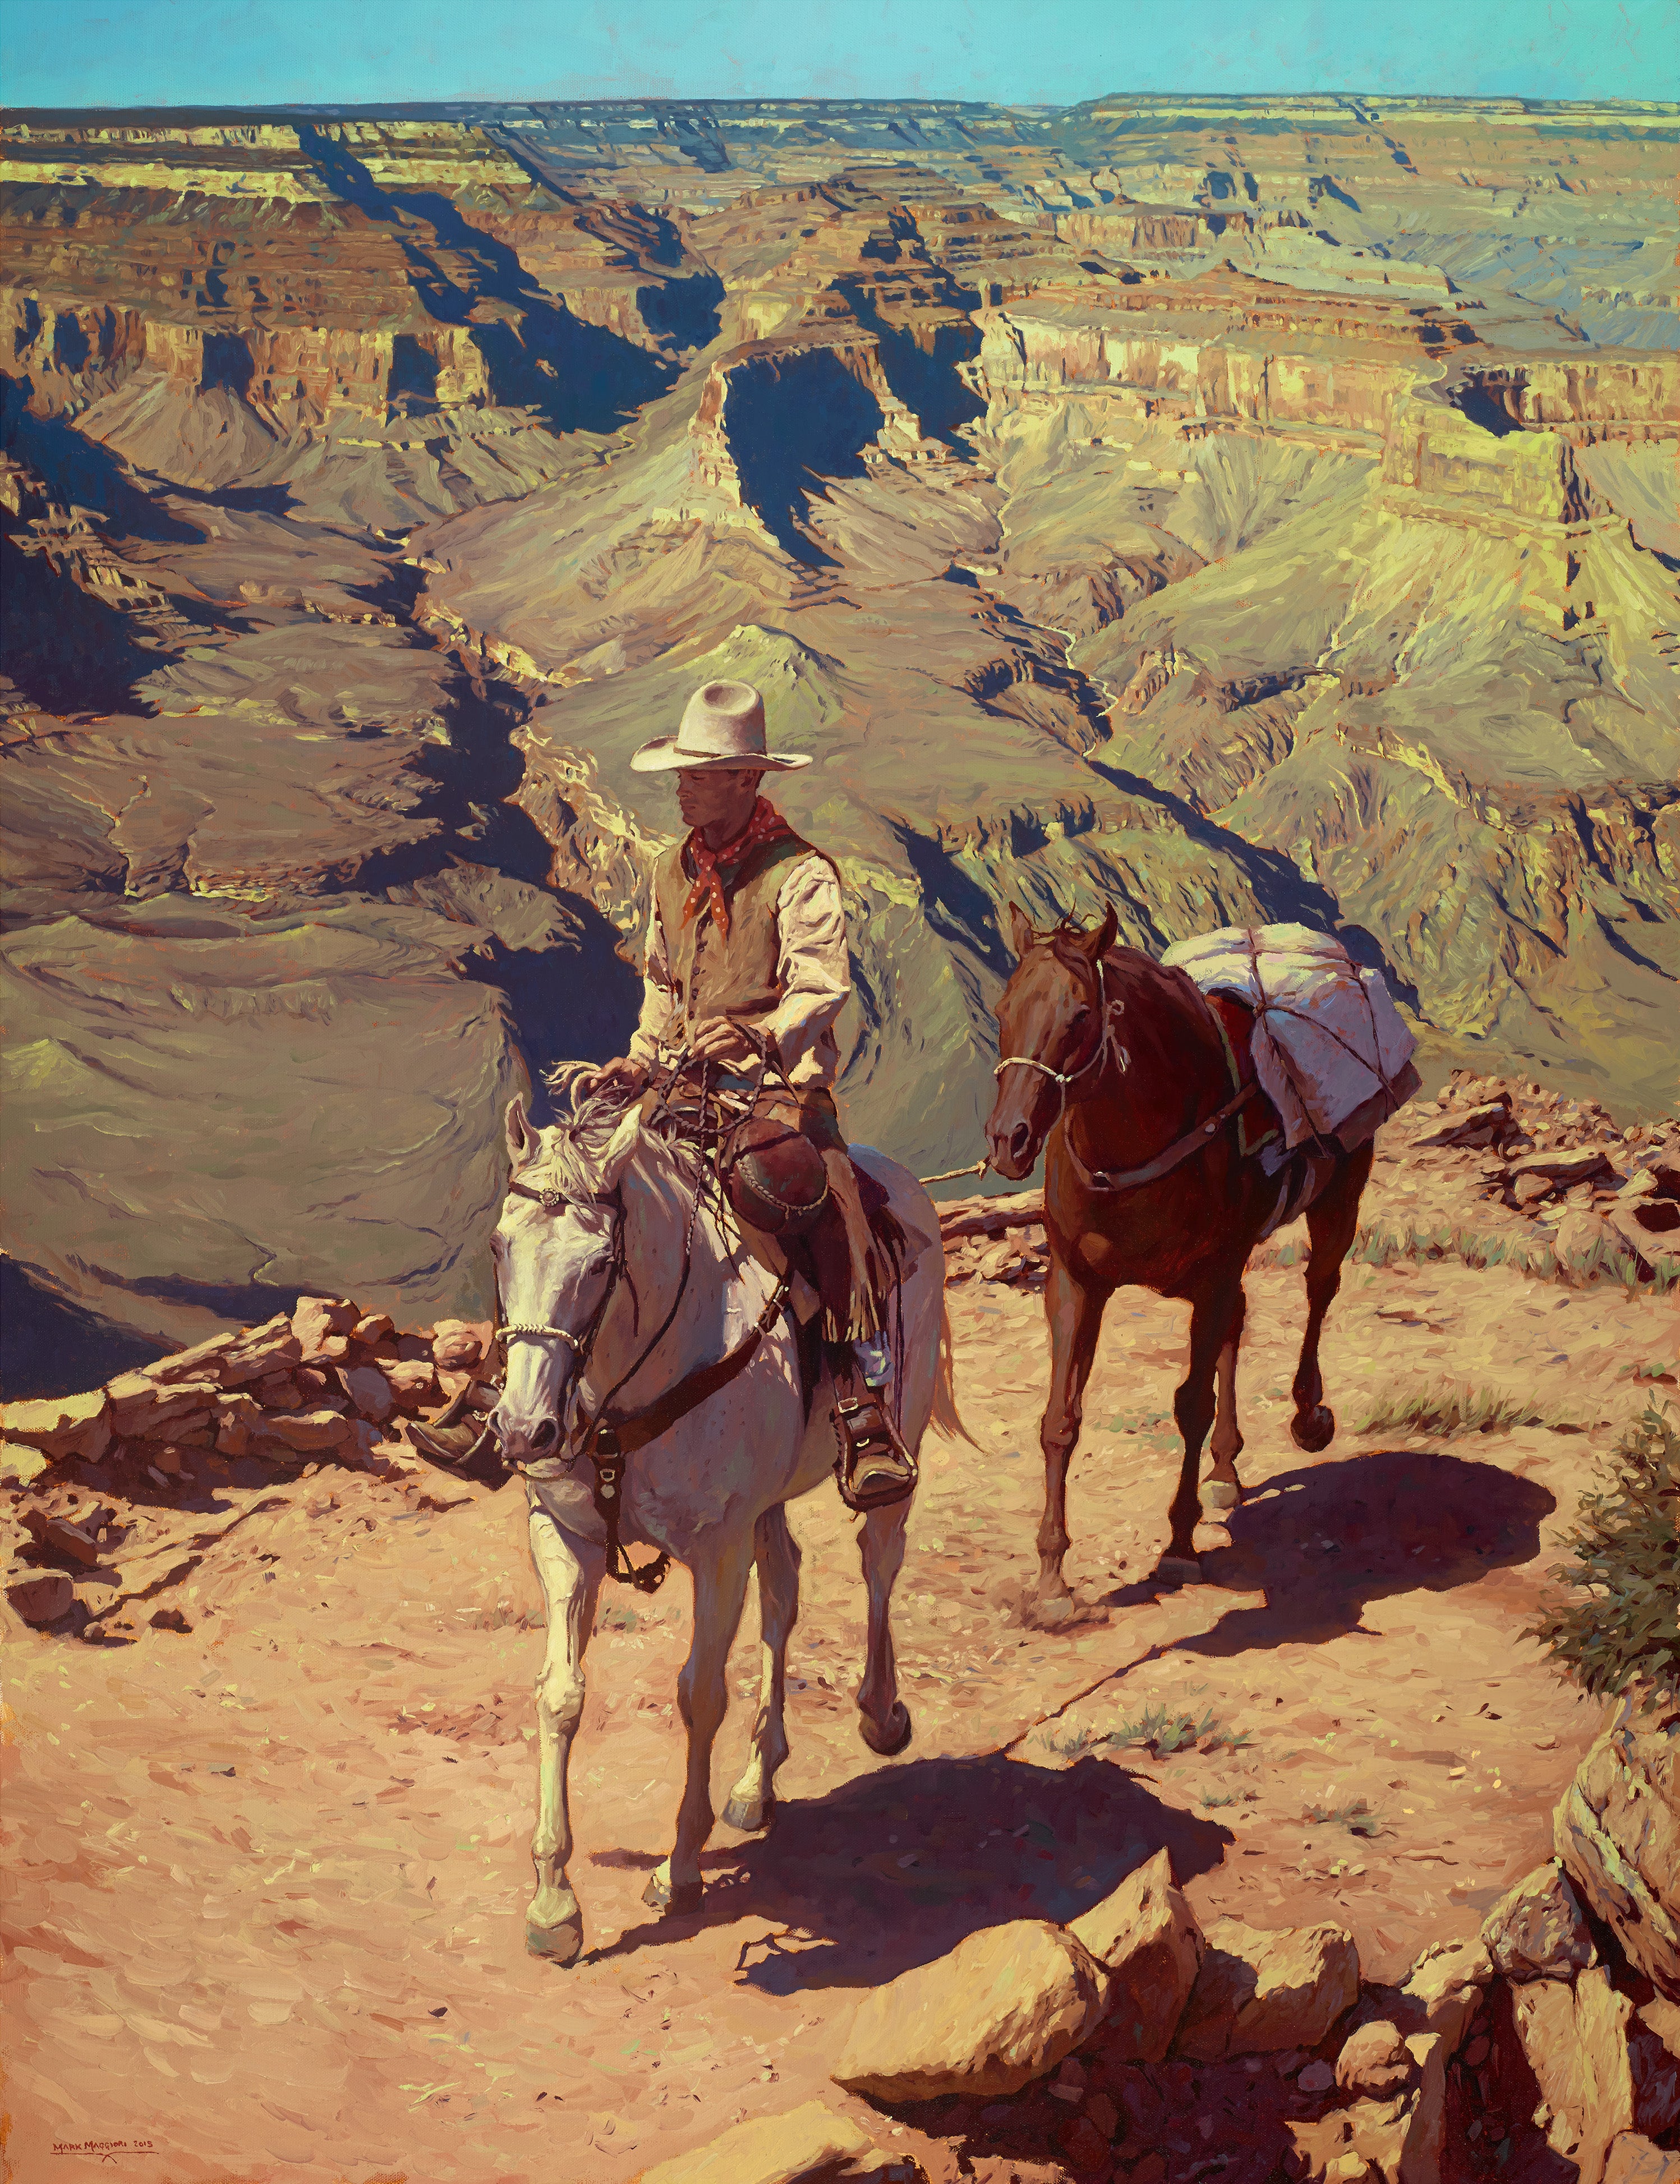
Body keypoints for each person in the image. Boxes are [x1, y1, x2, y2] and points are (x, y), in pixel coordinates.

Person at [416, 679, 915, 1509]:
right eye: (682, 771)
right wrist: (639, 1060)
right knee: (552, 1189)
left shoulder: (802, 876)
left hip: (776, 1090)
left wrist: (761, 1037)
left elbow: (822, 988)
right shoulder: (668, 870)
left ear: (748, 779)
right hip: (680, 1088)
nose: (682, 785)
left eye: (702, 772)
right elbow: (661, 990)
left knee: (813, 1192)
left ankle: (862, 1403)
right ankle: (503, 1386)